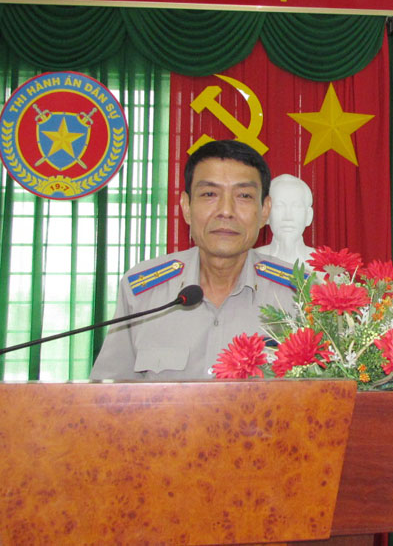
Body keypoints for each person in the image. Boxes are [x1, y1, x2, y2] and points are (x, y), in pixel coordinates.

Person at [90, 140, 296, 381]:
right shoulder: (143, 293)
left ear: (265, 211)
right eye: (209, 194)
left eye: (243, 195)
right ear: (186, 207)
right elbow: (108, 395)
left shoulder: (299, 296)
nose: (226, 211)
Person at [255, 174, 316, 267]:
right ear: (266, 214)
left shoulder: (327, 266)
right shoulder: (252, 261)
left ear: (309, 216)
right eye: (279, 206)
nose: (288, 217)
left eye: (296, 206)